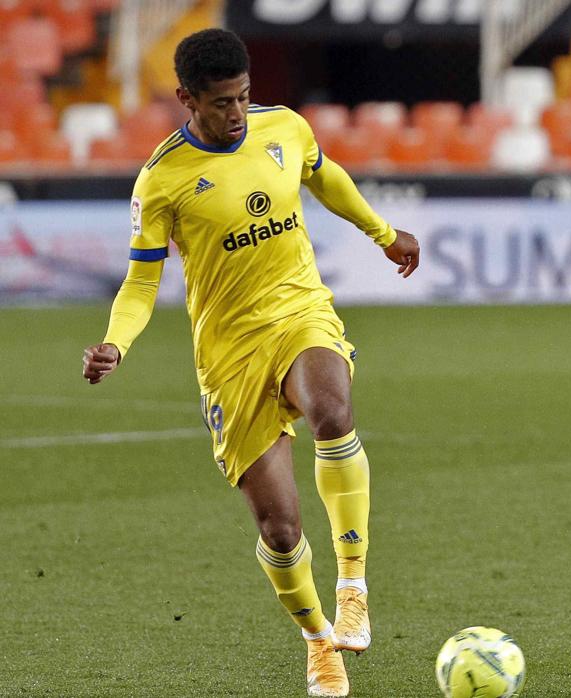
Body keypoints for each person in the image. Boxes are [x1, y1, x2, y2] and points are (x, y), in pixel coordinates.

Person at [80, 29, 420, 697]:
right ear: (186, 98)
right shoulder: (163, 181)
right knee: (280, 526)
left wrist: (382, 233)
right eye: (220, 103)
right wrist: (117, 341)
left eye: (243, 97)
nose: (236, 113)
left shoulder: (284, 129)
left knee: (331, 408)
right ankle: (319, 639)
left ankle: (353, 584)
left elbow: (327, 178)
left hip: (298, 312)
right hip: (229, 353)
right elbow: (143, 281)